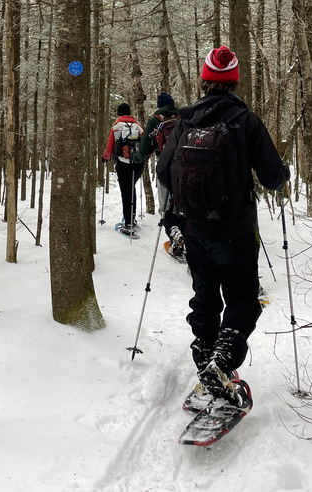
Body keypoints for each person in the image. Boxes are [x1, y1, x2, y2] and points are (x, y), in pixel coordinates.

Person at [156, 45, 290, 408]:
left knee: (205, 298)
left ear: (204, 81)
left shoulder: (185, 120)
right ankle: (222, 363)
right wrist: (283, 175)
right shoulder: (246, 121)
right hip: (236, 230)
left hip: (194, 229)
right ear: (234, 82)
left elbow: (163, 171)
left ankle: (207, 362)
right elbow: (273, 176)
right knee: (244, 300)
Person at [135, 91, 186, 261]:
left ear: (159, 105)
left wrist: (135, 158)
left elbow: (144, 150)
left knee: (166, 206)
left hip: (165, 168)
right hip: (186, 168)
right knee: (184, 204)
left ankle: (174, 234)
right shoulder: (183, 118)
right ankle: (187, 237)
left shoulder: (156, 120)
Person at [102, 102, 144, 236]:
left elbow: (110, 146)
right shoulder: (138, 126)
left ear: (118, 113)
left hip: (122, 162)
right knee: (131, 189)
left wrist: (105, 157)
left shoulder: (117, 126)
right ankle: (132, 218)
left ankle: (128, 223)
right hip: (137, 163)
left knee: (126, 192)